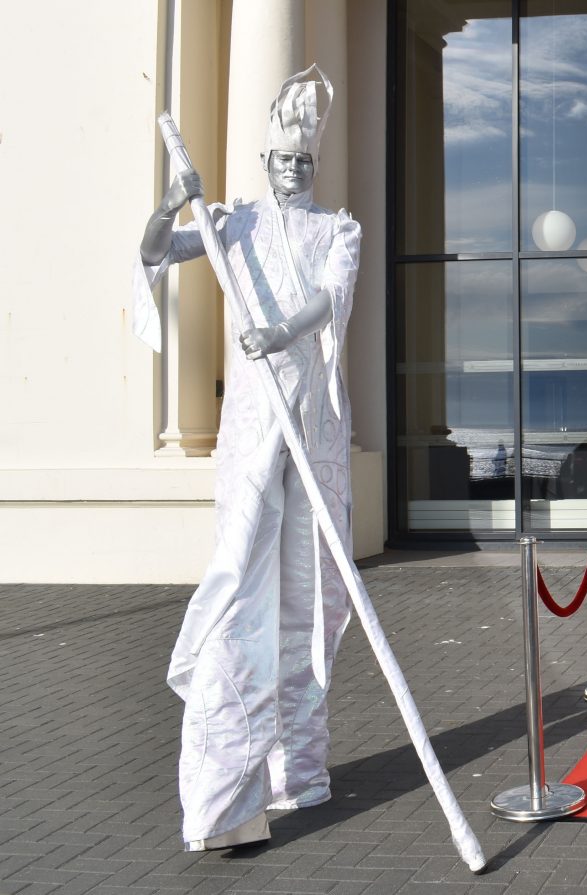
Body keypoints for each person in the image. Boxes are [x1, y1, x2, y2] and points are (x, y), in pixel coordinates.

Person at [134, 65, 361, 850]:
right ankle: (225, 796)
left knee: (309, 605)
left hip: (315, 440)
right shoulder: (232, 225)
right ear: (265, 160)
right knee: (239, 595)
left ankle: (297, 771)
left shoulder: (339, 229)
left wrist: (281, 334)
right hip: (256, 434)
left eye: (306, 160)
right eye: (284, 158)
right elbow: (158, 252)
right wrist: (171, 202)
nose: (295, 169)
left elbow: (330, 298)